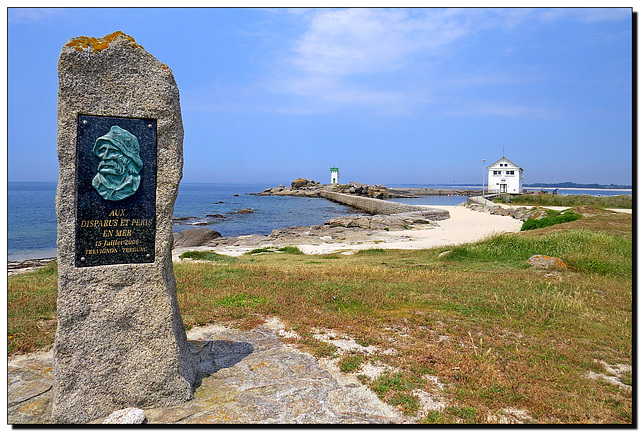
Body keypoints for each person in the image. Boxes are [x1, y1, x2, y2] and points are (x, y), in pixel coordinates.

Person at [92, 125, 143, 201]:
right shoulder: (96, 182)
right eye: (102, 150)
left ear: (128, 158)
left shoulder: (133, 183)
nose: (105, 157)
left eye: (113, 151)